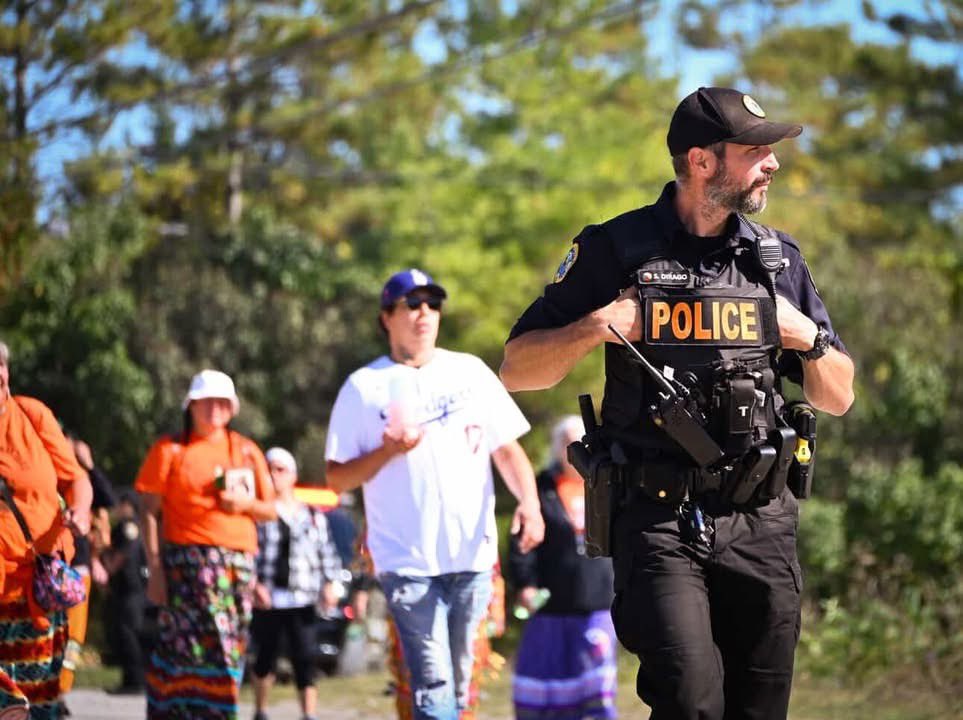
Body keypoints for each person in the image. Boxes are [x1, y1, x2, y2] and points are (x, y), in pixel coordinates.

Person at [501, 86, 855, 719]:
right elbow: (517, 370)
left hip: (761, 519)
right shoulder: (615, 249)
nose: (773, 163)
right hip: (656, 518)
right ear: (701, 161)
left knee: (759, 708)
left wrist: (809, 338)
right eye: (755, 151)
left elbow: (839, 396)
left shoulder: (776, 260)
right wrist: (597, 326)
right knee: (691, 699)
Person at [325, 268, 545, 720]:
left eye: (433, 303)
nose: (424, 312)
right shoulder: (363, 387)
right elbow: (337, 480)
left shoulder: (470, 372)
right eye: (411, 303)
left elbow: (507, 451)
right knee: (433, 683)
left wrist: (530, 503)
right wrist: (387, 451)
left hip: (472, 557)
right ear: (387, 317)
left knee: (461, 683)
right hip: (407, 562)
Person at [135, 369, 276, 720]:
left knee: (228, 649)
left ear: (232, 408)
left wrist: (243, 505)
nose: (215, 409)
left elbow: (271, 509)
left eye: (222, 402)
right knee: (181, 650)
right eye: (207, 401)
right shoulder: (170, 449)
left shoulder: (246, 450)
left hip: (237, 568)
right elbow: (148, 512)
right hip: (185, 565)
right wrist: (155, 570)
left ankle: (220, 712)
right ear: (192, 405)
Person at [0, 340, 93, 720]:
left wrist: (81, 511)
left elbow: (76, 479)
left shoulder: (31, 414)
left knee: (36, 705)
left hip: (35, 592)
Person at [510, 415, 618, 720]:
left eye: (580, 441)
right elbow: (522, 541)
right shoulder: (540, 488)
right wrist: (525, 583)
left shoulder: (605, 483)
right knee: (549, 683)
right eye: (566, 442)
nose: (574, 448)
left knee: (596, 685)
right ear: (557, 448)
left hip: (598, 601)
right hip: (551, 603)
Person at [251, 446, 342, 720]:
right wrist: (253, 584)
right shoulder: (258, 513)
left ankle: (308, 714)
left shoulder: (312, 515)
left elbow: (328, 553)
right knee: (265, 657)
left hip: (302, 597)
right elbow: (247, 553)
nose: (274, 475)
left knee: (304, 657)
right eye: (269, 470)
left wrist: (331, 584)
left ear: (292, 475)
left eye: (280, 470)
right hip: (268, 598)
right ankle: (261, 710)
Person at [58, 436, 117, 714]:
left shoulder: (83, 479)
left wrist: (89, 464)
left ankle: (60, 691)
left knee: (73, 635)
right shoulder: (49, 473)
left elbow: (108, 498)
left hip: (78, 568)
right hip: (48, 566)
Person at [100, 490, 149, 695]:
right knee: (124, 632)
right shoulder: (132, 525)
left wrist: (109, 565)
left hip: (130, 588)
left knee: (128, 632)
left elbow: (122, 553)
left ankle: (135, 680)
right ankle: (130, 679)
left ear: (128, 505)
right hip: (129, 588)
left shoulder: (128, 526)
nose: (117, 508)